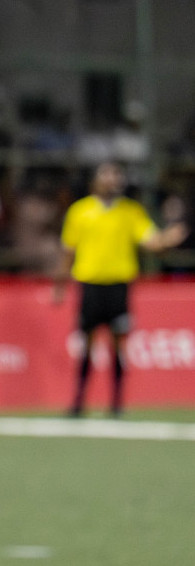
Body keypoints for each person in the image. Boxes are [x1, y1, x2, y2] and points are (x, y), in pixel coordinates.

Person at [55, 161, 186, 417]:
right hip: (91, 284)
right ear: (95, 181)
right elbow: (68, 250)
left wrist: (168, 239)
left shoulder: (131, 212)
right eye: (107, 174)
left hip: (118, 286)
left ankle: (116, 403)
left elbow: (151, 241)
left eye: (117, 174)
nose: (113, 179)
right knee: (88, 342)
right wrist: (59, 284)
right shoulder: (80, 212)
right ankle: (78, 401)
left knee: (118, 344)